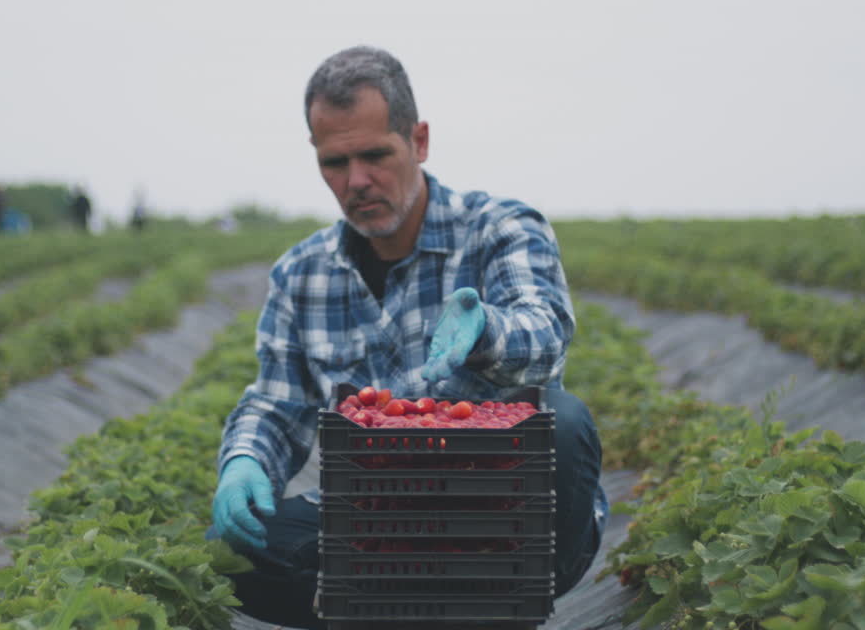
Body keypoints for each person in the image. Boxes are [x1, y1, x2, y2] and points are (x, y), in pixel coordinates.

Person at [210, 46, 606, 629]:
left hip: (500, 518)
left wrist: (486, 333)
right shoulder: (302, 273)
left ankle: (400, 604)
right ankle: (437, 606)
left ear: (418, 141)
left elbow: (545, 331)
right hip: (376, 521)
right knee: (227, 555)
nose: (357, 181)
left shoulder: (500, 228)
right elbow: (279, 402)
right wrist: (244, 461)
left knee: (564, 423)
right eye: (334, 163)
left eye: (375, 155)